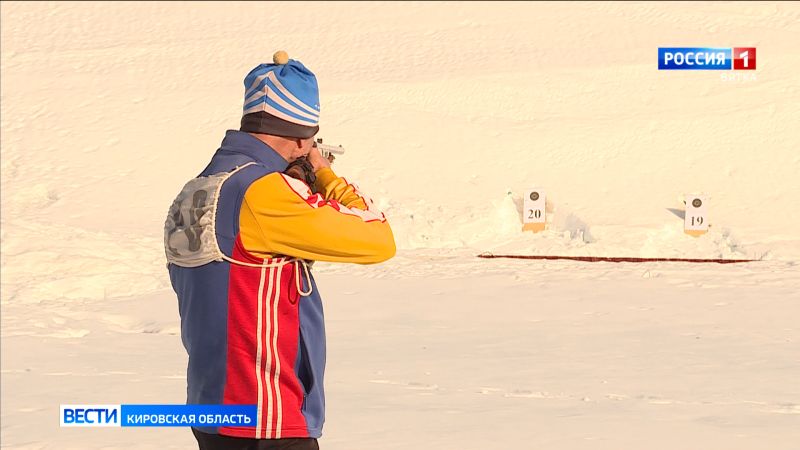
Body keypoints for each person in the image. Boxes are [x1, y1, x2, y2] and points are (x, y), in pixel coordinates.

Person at [164, 51, 396, 450]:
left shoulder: (200, 186)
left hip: (210, 407)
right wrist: (323, 174)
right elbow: (378, 241)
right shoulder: (263, 192)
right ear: (304, 137)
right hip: (267, 416)